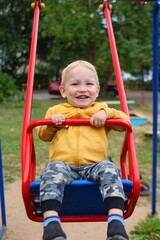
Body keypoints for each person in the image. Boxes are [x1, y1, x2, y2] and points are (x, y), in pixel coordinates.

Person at [37, 60, 130, 240]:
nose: (82, 89)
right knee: (51, 172)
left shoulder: (100, 110)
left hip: (94, 166)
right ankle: (51, 225)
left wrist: (106, 113)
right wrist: (53, 123)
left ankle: (116, 223)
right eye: (75, 84)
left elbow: (125, 124)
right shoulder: (56, 110)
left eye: (89, 84)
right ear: (63, 90)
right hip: (64, 165)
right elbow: (43, 135)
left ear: (97, 89)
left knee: (109, 169)